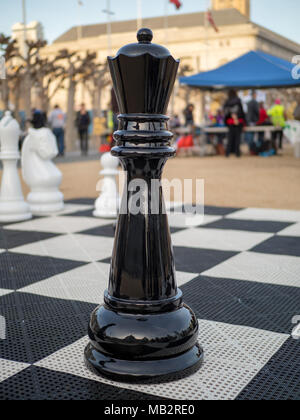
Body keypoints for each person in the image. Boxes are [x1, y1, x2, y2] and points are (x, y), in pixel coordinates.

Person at [223, 90, 246, 157]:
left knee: (230, 138)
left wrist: (227, 121)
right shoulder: (238, 101)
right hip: (238, 122)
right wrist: (243, 122)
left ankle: (227, 153)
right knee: (237, 138)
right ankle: (237, 153)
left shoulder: (227, 101)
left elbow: (226, 112)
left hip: (230, 122)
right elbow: (242, 112)